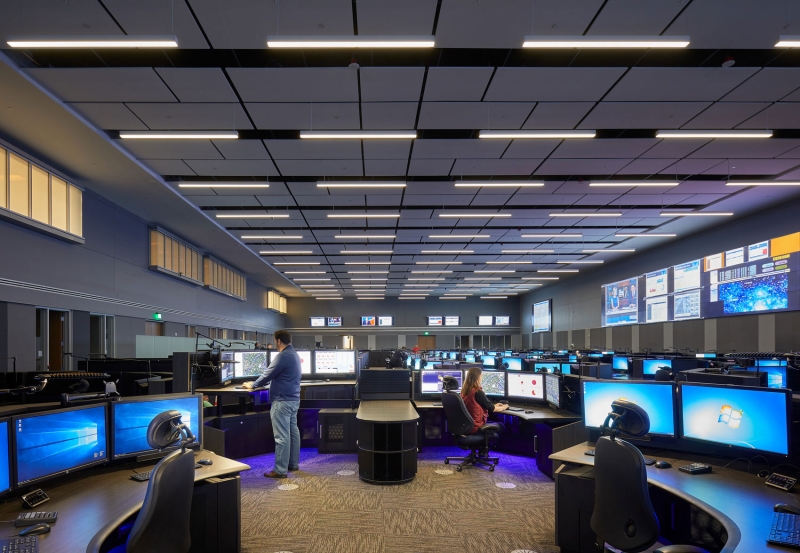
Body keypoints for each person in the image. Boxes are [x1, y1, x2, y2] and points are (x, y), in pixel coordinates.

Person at [242, 330, 301, 478]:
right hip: (293, 400)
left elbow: (267, 374)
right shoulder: (294, 354)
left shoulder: (282, 356)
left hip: (282, 401)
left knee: (282, 436)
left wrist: (253, 385)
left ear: (278, 341)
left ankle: (280, 470)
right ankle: (293, 464)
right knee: (293, 432)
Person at [460, 366, 508, 434]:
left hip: (467, 426)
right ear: (477, 378)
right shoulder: (477, 392)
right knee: (501, 425)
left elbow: (478, 405)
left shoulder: (464, 391)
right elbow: (493, 409)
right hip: (476, 427)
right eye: (481, 376)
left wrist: (494, 405)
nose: (481, 378)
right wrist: (504, 407)